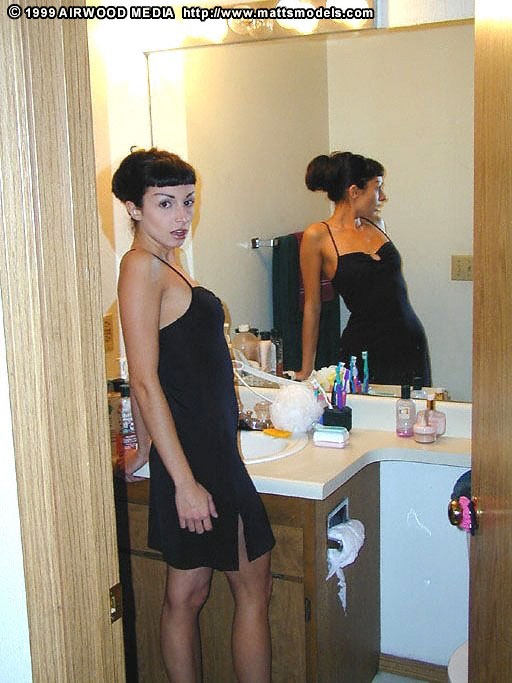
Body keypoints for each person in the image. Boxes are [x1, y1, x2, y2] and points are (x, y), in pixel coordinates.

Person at [112, 148, 274, 683]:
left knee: (189, 592)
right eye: (165, 203)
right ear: (133, 208)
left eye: (187, 201)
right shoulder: (140, 267)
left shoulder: (165, 264)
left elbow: (157, 371)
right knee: (246, 588)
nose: (182, 216)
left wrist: (144, 450)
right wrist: (183, 482)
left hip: (201, 450)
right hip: (198, 458)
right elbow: (142, 378)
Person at [296, 151, 431, 387]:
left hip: (410, 342)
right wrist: (307, 368)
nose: (383, 197)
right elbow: (312, 305)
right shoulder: (318, 236)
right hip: (365, 349)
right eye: (377, 188)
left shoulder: (377, 224)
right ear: (354, 192)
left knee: (413, 409)